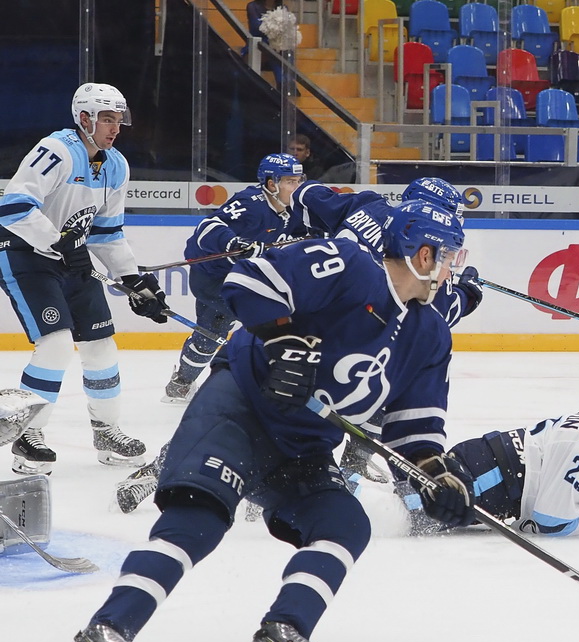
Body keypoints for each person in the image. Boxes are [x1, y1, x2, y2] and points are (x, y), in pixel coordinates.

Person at [57, 199, 474, 642]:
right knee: (199, 519)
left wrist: (435, 474)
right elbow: (251, 280)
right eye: (448, 256)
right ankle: (104, 635)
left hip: (304, 443)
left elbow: (414, 428)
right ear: (422, 255)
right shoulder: (349, 265)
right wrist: (283, 341)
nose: (453, 270)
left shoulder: (429, 334)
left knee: (344, 524)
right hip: (240, 408)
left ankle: (282, 637)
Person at [113, 176, 482, 511]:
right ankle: (335, 481)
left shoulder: (366, 206)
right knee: (370, 403)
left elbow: (305, 194)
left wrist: (296, 235)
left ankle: (163, 467)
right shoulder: (420, 260)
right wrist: (467, 293)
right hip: (349, 348)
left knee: (238, 413)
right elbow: (431, 316)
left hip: (299, 325)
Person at [0, 83, 169, 474]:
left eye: (118, 119)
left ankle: (106, 431)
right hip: (24, 253)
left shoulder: (116, 165)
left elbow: (107, 233)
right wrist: (56, 241)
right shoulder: (57, 150)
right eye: (107, 119)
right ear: (84, 119)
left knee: (100, 346)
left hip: (68, 257)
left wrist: (136, 282)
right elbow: (12, 206)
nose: (115, 127)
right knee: (57, 344)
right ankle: (28, 434)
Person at [403, 372, 579, 536]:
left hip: (497, 476)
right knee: (400, 513)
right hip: (486, 479)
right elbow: (551, 520)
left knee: (405, 507)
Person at [163, 153, 307, 404]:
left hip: (247, 275)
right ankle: (255, 382)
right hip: (214, 277)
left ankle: (181, 384)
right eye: (290, 182)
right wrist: (234, 243)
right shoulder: (251, 204)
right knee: (257, 321)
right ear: (272, 184)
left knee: (212, 329)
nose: (297, 187)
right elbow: (207, 229)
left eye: (298, 180)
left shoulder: (293, 209)